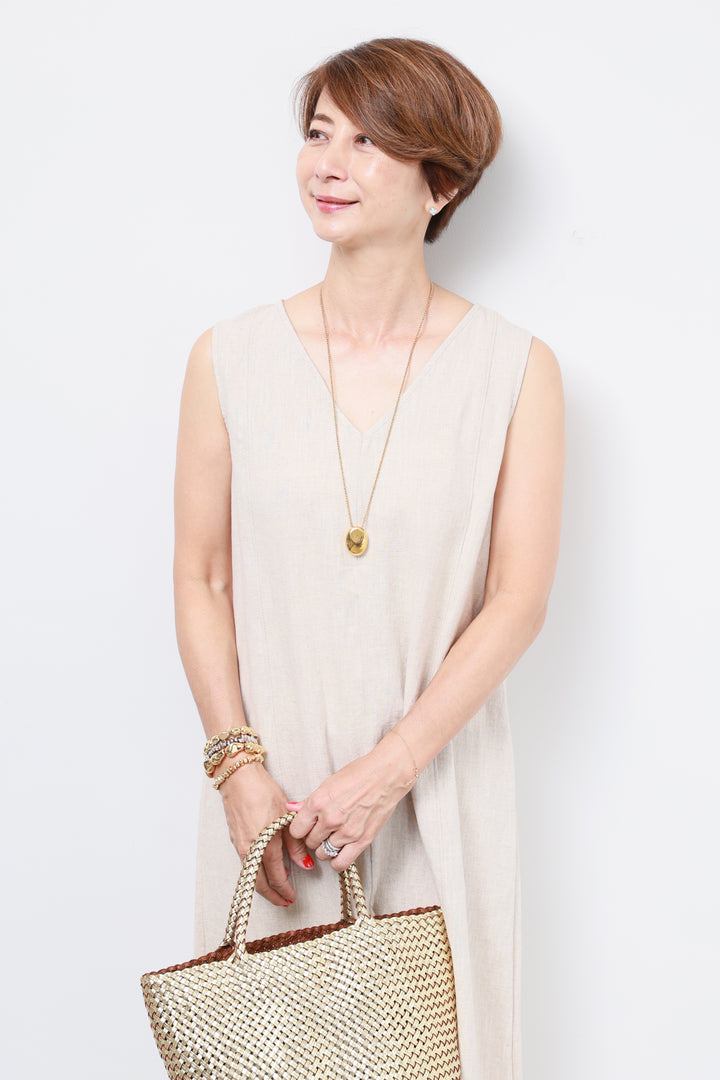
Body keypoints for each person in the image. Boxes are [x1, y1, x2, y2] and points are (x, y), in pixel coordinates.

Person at [173, 37, 564, 1079]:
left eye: (368, 141)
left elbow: (517, 598)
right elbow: (202, 578)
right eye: (318, 134)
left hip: (439, 792)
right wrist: (238, 770)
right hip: (274, 802)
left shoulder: (516, 371)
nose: (329, 164)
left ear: (443, 183)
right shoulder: (228, 358)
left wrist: (389, 773)